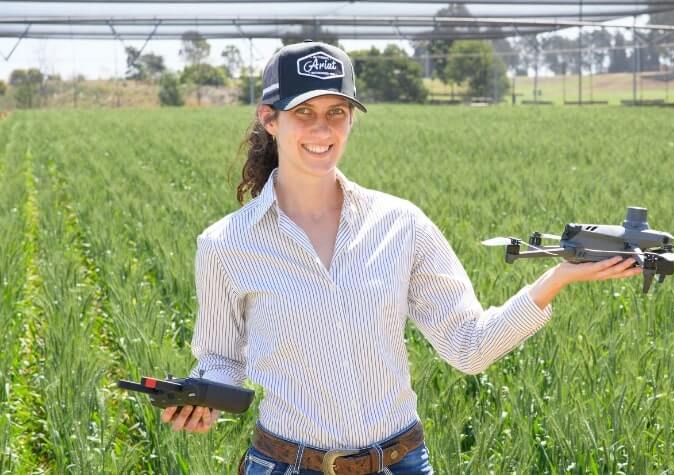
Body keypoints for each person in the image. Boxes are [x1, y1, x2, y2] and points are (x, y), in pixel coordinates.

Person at [160, 40, 642, 474]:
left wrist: (556, 279)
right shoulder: (225, 244)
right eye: (304, 111)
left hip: (399, 463)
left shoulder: (400, 224)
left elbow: (468, 346)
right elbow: (221, 358)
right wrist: (202, 399)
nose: (322, 129)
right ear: (270, 119)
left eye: (337, 112)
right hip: (287, 465)